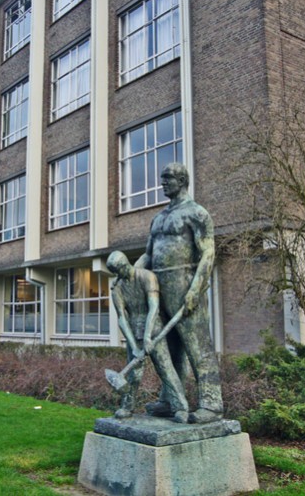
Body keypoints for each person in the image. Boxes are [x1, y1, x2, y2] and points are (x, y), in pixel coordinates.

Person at [135, 162, 224, 424]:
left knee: (197, 345)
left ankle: (212, 404)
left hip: (183, 282)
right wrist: (130, 273)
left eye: (168, 178)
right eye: (162, 178)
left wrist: (195, 289)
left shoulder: (197, 213)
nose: (162, 183)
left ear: (182, 180)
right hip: (158, 285)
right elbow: (148, 255)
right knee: (168, 346)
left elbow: (208, 253)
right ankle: (170, 399)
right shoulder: (158, 218)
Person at [106, 251, 189, 423]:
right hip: (133, 333)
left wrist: (148, 337)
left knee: (165, 368)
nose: (117, 275)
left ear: (124, 265)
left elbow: (154, 307)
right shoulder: (117, 288)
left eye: (118, 271)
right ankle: (127, 407)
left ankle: (181, 408)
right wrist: (134, 346)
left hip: (154, 329)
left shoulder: (147, 277)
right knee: (134, 374)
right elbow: (122, 318)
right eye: (115, 273)